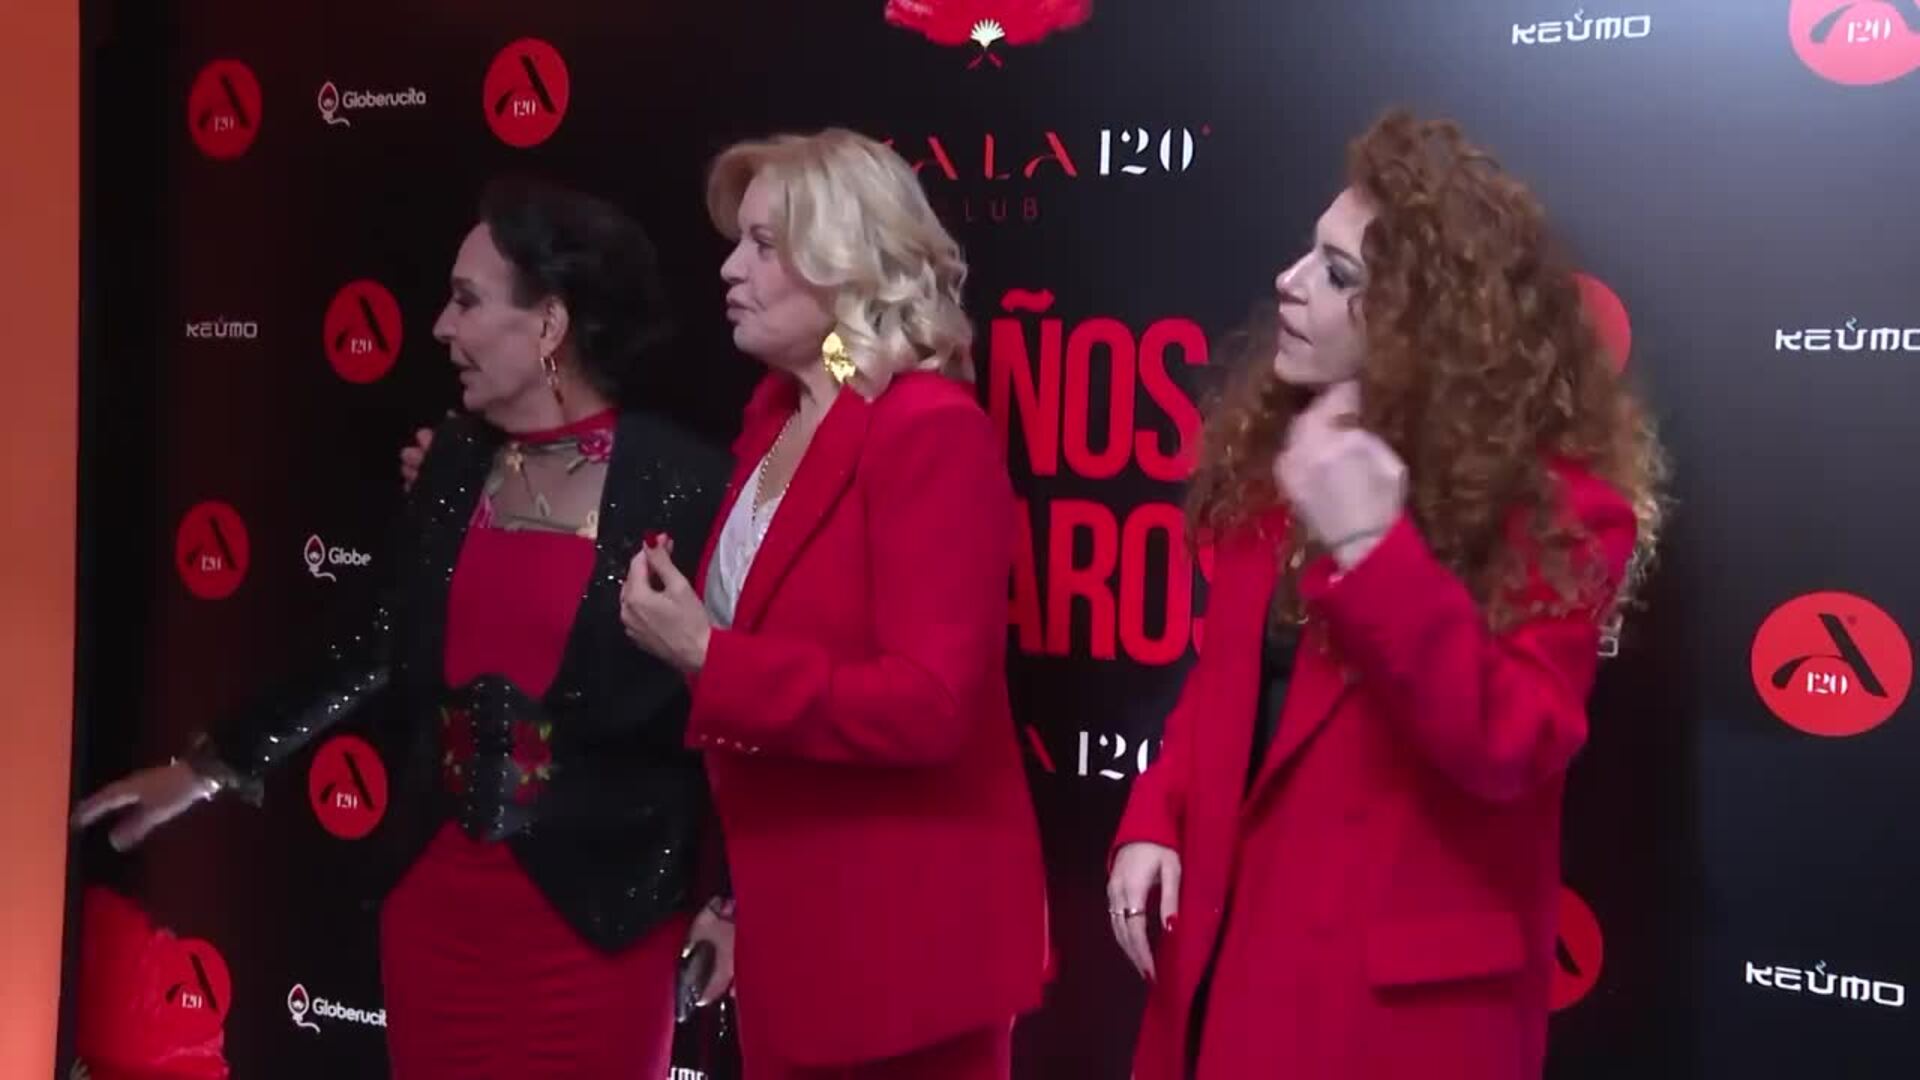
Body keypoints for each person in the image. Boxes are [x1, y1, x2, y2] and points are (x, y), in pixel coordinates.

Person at [74, 176, 735, 1079]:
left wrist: (729, 904)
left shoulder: (684, 482)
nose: (440, 328)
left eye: (467, 302)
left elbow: (727, 714)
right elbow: (372, 646)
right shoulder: (455, 463)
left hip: (605, 924)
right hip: (437, 913)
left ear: (549, 325)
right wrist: (208, 768)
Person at [1105, 109, 1667, 1080]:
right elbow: (1225, 688)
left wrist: (1373, 548)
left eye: (1336, 274)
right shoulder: (1283, 456)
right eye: (1310, 254)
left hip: (1387, 1026)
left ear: (1420, 321)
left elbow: (1511, 742)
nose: (1289, 281)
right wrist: (1158, 815)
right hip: (1224, 971)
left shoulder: (1564, 512)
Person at [615, 129, 1050, 1080]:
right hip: (797, 945)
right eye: (737, 241)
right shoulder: (784, 415)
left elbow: (928, 706)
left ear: (848, 261)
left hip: (905, 972)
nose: (729, 267)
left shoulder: (930, 432)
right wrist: (737, 903)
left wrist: (706, 655)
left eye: (763, 245)